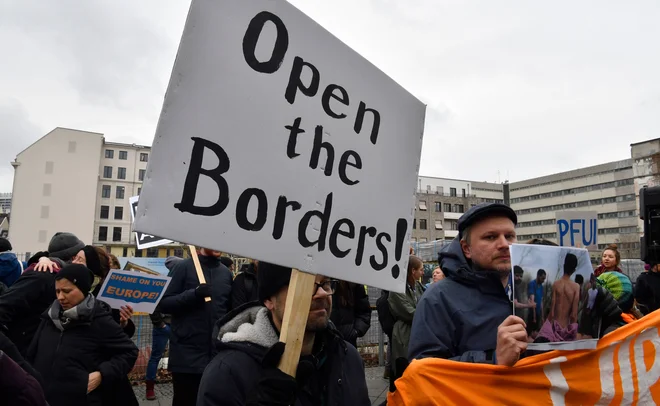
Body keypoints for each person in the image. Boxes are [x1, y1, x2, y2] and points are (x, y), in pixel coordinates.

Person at [197, 262, 370, 406]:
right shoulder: (227, 374)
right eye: (306, 285)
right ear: (269, 300)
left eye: (326, 283)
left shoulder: (348, 358)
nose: (323, 293)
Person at [408, 203, 526, 367]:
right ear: (466, 248)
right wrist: (492, 360)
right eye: (490, 237)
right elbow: (424, 371)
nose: (504, 244)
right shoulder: (438, 299)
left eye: (509, 236)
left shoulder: (529, 287)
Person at [27, 264, 138, 406]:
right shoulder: (48, 317)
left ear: (83, 290)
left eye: (67, 291)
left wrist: (102, 374)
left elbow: (129, 352)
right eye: (57, 291)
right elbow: (32, 355)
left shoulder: (99, 319)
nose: (60, 297)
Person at [157, 248, 233, 406]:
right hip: (187, 357)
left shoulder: (225, 273)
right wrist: (194, 294)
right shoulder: (183, 267)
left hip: (216, 357)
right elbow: (163, 303)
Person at [0, 232, 84, 355]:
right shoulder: (42, 275)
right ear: (72, 257)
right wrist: (11, 351)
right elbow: (5, 305)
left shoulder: (62, 277)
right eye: (79, 257)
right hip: (25, 353)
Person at [144, 256, 180, 401]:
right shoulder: (163, 284)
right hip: (164, 325)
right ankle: (149, 388)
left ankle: (151, 389)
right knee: (156, 356)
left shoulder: (172, 282)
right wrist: (160, 324)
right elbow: (152, 305)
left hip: (175, 325)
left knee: (165, 357)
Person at [388, 255, 425, 377]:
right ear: (413, 271)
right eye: (421, 269)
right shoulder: (397, 289)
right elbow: (409, 312)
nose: (423, 272)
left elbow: (426, 303)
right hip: (403, 334)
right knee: (403, 369)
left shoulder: (418, 286)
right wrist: (426, 314)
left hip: (416, 332)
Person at [329, 280, 371, 348]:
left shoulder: (352, 280)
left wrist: (356, 332)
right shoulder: (320, 278)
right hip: (321, 344)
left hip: (348, 344)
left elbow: (364, 311)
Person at [548, 253, 580, 329]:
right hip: (565, 328)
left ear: (564, 266)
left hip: (555, 327)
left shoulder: (556, 284)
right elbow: (574, 314)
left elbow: (551, 312)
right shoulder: (576, 287)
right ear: (574, 270)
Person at [527, 269, 546, 337]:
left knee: (535, 332)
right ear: (538, 276)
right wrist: (534, 317)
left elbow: (541, 301)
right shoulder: (532, 284)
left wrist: (542, 316)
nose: (543, 280)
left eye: (544, 279)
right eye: (542, 278)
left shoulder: (541, 287)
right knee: (530, 332)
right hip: (532, 313)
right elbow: (532, 300)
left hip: (538, 313)